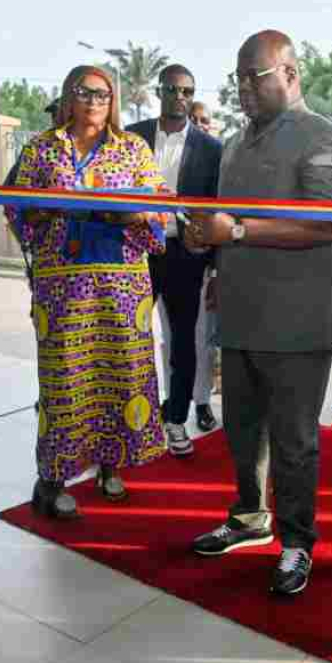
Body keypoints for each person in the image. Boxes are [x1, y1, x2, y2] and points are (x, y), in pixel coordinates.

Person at [186, 30, 332, 597]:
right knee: (242, 429)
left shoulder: (323, 138)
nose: (242, 89)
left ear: (290, 73)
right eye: (236, 79)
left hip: (297, 321)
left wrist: (234, 229)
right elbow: (229, 223)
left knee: (294, 440)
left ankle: (297, 542)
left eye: (253, 77)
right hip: (239, 310)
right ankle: (249, 517)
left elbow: (327, 224)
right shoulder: (235, 143)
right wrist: (213, 255)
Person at [6, 65, 169, 518]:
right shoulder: (41, 149)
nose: (95, 101)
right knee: (66, 382)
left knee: (119, 374)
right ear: (68, 96)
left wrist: (133, 215)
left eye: (103, 94)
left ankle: (111, 464)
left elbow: (158, 212)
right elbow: (17, 210)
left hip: (121, 288)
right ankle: (52, 477)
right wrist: (48, 205)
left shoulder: (133, 148)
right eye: (85, 92)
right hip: (64, 290)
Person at [128, 64, 223, 453]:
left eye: (188, 91)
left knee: (184, 342)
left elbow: (217, 208)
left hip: (185, 256)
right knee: (130, 338)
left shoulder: (211, 148)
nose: (180, 97)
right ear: (159, 92)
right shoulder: (131, 139)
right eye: (173, 90)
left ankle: (176, 420)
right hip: (134, 253)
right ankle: (132, 422)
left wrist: (214, 265)